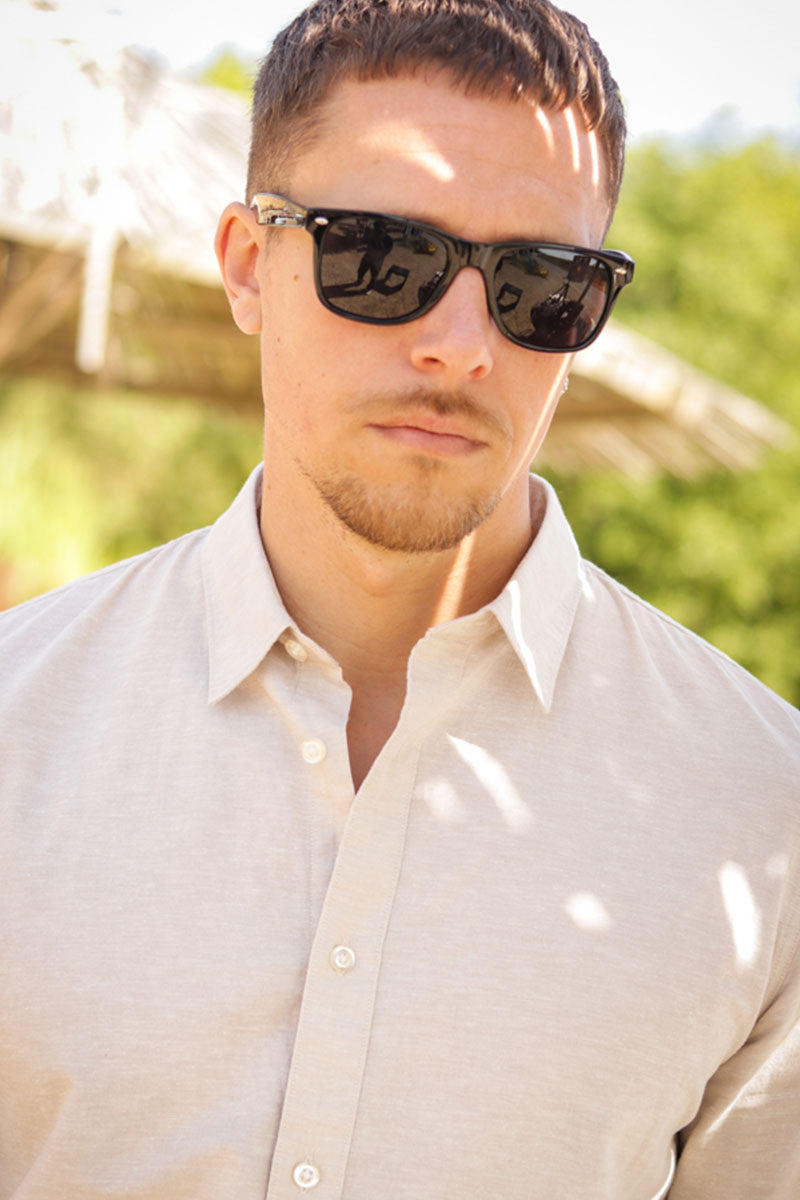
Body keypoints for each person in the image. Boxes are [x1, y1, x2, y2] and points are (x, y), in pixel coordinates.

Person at [0, 1, 798, 1197]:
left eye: (541, 284)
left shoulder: (764, 817)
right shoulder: (17, 723)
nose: (460, 345)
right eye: (382, 257)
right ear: (246, 265)